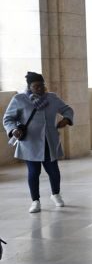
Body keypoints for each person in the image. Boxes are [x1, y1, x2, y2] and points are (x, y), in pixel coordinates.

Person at [4, 72, 74, 214]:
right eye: (36, 86)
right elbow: (8, 118)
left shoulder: (52, 98)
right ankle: (35, 201)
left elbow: (67, 109)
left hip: (50, 141)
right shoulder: (19, 99)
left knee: (53, 170)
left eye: (42, 86)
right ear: (29, 87)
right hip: (30, 142)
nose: (40, 89)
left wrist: (66, 119)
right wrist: (13, 129)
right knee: (33, 172)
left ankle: (56, 194)